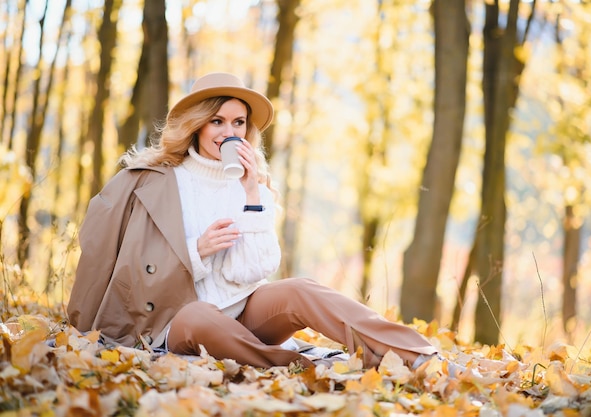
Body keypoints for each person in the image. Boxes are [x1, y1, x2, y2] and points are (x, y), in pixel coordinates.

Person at [66, 72, 442, 371]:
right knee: (200, 315)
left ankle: (416, 355)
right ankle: (304, 366)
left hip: (244, 312)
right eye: (217, 121)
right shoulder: (157, 182)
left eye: (238, 122)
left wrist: (250, 195)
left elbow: (255, 270)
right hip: (175, 321)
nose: (229, 133)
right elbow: (130, 271)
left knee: (301, 288)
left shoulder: (253, 185)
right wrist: (195, 252)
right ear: (197, 126)